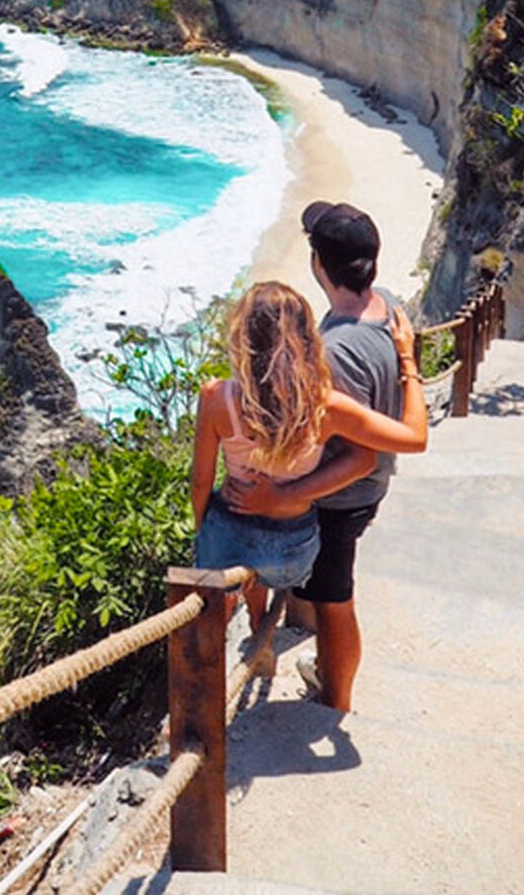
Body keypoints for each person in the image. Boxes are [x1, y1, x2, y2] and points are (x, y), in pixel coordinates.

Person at [224, 200, 414, 713]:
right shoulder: (389, 308)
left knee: (335, 603)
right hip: (365, 488)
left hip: (341, 493)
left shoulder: (332, 351)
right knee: (323, 591)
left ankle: (336, 701)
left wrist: (280, 492)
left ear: (318, 264)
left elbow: (361, 456)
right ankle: (317, 666)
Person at [192, 279, 427, 632]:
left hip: (230, 533)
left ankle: (252, 625)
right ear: (306, 337)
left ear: (243, 338)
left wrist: (202, 532)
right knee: (262, 570)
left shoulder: (216, 397)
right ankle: (260, 627)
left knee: (215, 598)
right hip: (291, 552)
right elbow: (412, 438)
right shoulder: (324, 404)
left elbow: (200, 481)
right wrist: (406, 358)